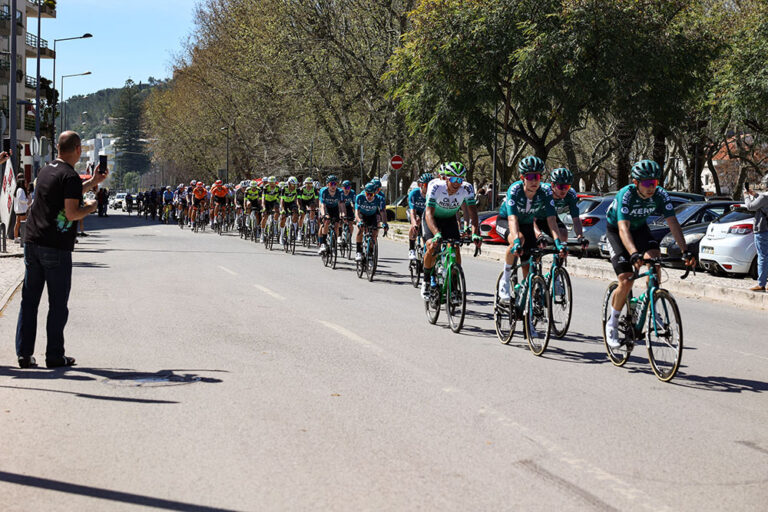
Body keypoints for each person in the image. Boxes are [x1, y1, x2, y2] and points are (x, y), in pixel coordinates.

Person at [15, 131, 108, 369]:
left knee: (30, 301)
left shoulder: (46, 170)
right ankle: (54, 355)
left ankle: (24, 354)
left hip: (32, 243)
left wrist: (93, 182)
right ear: (78, 149)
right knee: (57, 304)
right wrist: (92, 206)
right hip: (54, 247)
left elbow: (65, 193)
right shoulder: (70, 176)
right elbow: (71, 213)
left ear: (57, 148)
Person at [603, 160, 695, 348]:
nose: (651, 187)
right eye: (646, 183)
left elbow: (673, 223)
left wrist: (685, 251)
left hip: (640, 229)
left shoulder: (660, 194)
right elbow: (623, 228)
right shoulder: (626, 195)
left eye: (654, 183)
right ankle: (612, 323)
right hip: (617, 230)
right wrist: (634, 253)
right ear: (636, 183)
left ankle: (651, 302)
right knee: (627, 279)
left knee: (655, 258)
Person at [496, 156, 566, 304]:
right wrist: (515, 241)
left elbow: (551, 220)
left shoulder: (545, 192)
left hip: (527, 224)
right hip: (506, 221)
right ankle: (505, 278)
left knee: (531, 262)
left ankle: (528, 296)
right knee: (519, 240)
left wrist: (558, 243)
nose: (535, 180)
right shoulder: (515, 189)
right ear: (523, 178)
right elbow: (512, 219)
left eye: (538, 176)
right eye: (530, 177)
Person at [421, 162, 482, 300]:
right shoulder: (435, 186)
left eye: (460, 179)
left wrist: (475, 233)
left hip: (449, 219)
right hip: (432, 218)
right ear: (445, 179)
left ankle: (454, 287)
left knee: (455, 248)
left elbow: (473, 213)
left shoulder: (466, 188)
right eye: (453, 179)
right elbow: (429, 214)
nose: (457, 183)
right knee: (431, 245)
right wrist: (436, 234)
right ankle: (425, 281)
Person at [744, 181, 768, 291]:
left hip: (763, 229)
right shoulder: (763, 197)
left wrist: (746, 196)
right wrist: (754, 194)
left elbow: (750, 206)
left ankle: (761, 284)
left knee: (762, 257)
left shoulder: (763, 197)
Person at [407, 173, 431, 260]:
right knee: (416, 221)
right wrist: (414, 224)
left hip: (426, 214)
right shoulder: (414, 193)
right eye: (426, 185)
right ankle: (411, 249)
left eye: (430, 184)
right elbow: (412, 212)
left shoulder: (433, 194)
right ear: (420, 185)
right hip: (415, 212)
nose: (428, 187)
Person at [14, 174, 29, 242]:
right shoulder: (21, 190)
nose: (26, 184)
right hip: (22, 209)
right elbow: (21, 199)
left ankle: (16, 237)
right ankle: (22, 237)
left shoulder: (18, 190)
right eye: (25, 183)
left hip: (18, 209)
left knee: (18, 223)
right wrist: (27, 201)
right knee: (23, 224)